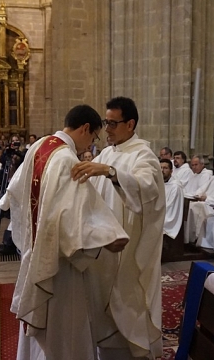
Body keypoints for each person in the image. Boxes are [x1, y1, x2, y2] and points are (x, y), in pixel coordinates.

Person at [0, 104, 129, 360]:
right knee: (65, 323)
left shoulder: (41, 145)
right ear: (85, 128)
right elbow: (73, 216)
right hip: (59, 262)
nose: (89, 146)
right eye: (92, 138)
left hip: (37, 248)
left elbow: (14, 191)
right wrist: (108, 237)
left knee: (42, 319)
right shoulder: (67, 159)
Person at [71, 96, 165, 359]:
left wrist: (111, 173)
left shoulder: (143, 154)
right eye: (106, 122)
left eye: (112, 123)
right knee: (101, 304)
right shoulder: (109, 153)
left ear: (130, 123)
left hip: (129, 246)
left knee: (127, 302)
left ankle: (135, 350)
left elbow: (147, 189)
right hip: (103, 243)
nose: (107, 129)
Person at [160, 158, 184, 241]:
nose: (162, 170)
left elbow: (170, 208)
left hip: (168, 219)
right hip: (159, 215)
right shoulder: (159, 184)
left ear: (171, 171)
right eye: (160, 168)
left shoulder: (175, 187)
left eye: (165, 168)